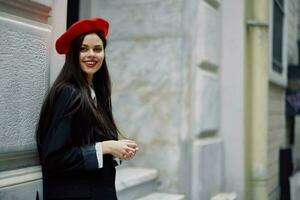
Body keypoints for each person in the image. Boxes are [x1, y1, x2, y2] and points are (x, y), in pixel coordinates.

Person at [36, 17, 139, 200]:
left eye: (97, 49)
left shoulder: (95, 93)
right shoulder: (68, 93)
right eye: (83, 49)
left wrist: (118, 150)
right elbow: (54, 157)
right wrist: (106, 147)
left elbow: (86, 142)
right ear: (73, 54)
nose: (91, 54)